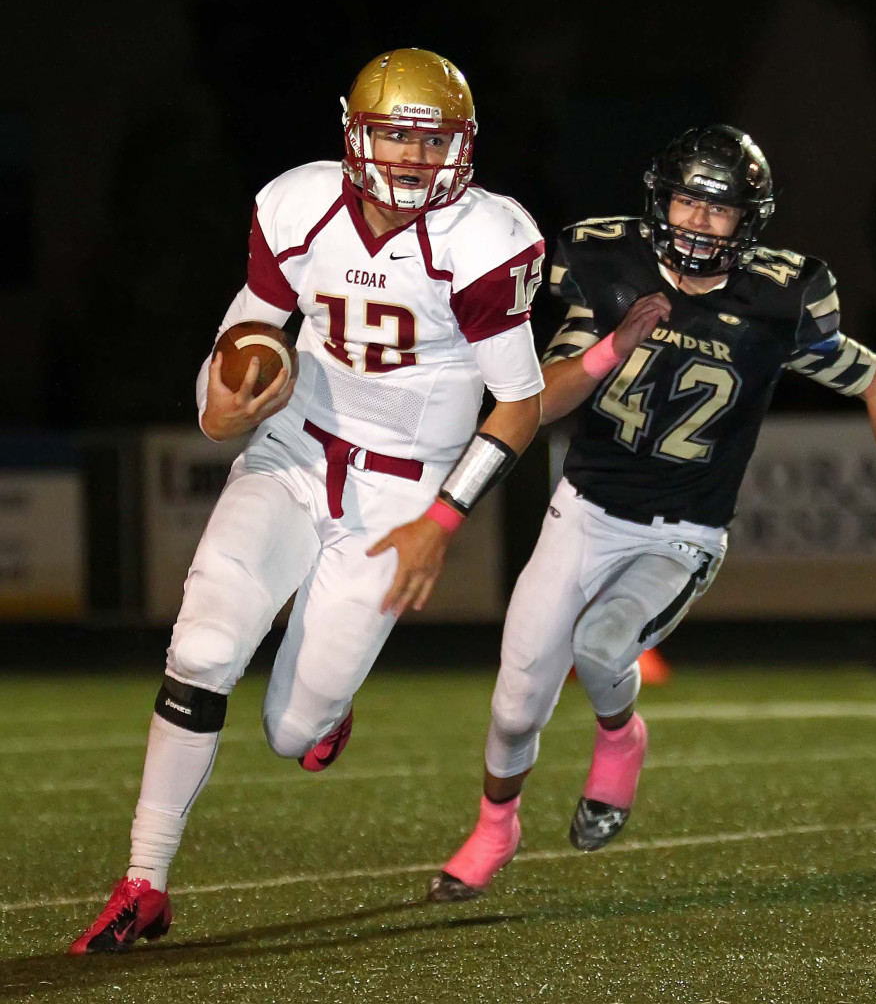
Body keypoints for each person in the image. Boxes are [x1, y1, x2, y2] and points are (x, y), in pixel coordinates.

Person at [69, 48, 544, 953]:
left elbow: (517, 404)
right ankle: (144, 879)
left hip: (399, 493)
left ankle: (326, 703)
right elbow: (249, 328)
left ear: (463, 145)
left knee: (291, 731)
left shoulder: (487, 239)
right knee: (204, 643)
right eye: (392, 135)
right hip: (293, 452)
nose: (409, 158)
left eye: (429, 138)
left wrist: (443, 519)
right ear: (353, 134)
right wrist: (218, 402)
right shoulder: (298, 203)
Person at [427, 123, 876, 902]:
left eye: (718, 208)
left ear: (747, 221)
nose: (697, 220)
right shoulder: (606, 266)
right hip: (583, 510)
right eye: (687, 201)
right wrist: (610, 348)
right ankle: (497, 828)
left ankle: (619, 739)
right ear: (659, 201)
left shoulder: (777, 301)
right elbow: (536, 398)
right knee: (516, 696)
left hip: (681, 535)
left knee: (600, 645)